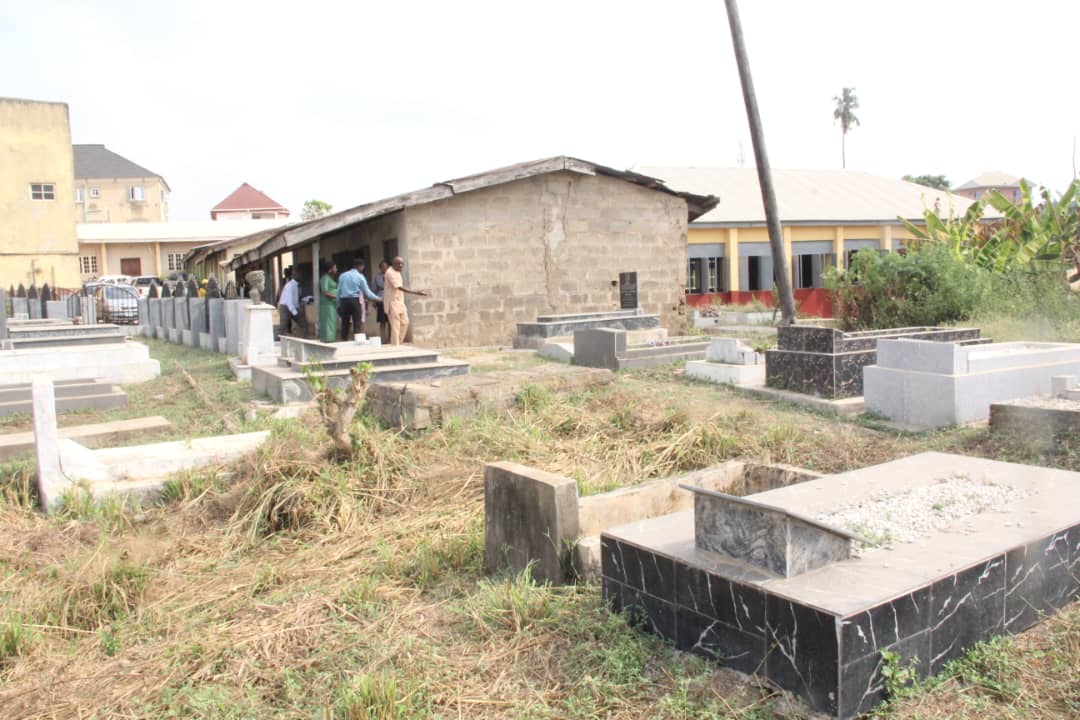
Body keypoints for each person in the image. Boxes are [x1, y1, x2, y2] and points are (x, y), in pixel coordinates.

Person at [384, 255, 428, 345]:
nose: (401, 266)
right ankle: (395, 346)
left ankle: (398, 343)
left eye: (402, 264)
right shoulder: (390, 273)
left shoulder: (397, 272)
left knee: (405, 322)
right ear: (393, 264)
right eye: (398, 264)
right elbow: (399, 287)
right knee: (396, 326)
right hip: (392, 302)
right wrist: (416, 292)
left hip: (400, 301)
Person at [336, 257, 381, 341]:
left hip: (344, 301)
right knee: (357, 322)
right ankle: (356, 341)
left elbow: (338, 291)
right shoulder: (360, 277)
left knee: (344, 323)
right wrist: (378, 299)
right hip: (355, 300)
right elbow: (367, 293)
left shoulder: (342, 275)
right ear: (361, 266)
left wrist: (338, 304)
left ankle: (344, 341)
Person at [277, 267, 307, 337]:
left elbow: (295, 299)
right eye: (300, 275)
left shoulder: (297, 285)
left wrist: (298, 308)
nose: (301, 276)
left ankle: (301, 338)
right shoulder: (290, 285)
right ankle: (276, 339)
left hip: (293, 307)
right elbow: (289, 301)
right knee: (282, 327)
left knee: (303, 324)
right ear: (295, 275)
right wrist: (295, 312)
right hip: (285, 307)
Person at [318, 261, 339, 342]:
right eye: (335, 267)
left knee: (332, 321)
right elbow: (325, 292)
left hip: (332, 304)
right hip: (327, 304)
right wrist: (337, 297)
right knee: (328, 322)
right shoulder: (325, 278)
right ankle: (327, 339)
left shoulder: (330, 278)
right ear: (330, 269)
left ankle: (331, 338)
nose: (336, 269)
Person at [373, 260, 390, 344]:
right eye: (382, 267)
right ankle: (383, 339)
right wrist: (374, 301)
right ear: (380, 268)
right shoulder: (377, 277)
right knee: (382, 321)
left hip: (390, 300)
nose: (384, 268)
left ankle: (391, 338)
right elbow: (374, 290)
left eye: (386, 266)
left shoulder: (391, 275)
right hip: (381, 301)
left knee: (391, 321)